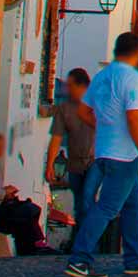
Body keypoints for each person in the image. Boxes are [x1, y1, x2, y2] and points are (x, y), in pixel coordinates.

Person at [64, 33, 138, 277]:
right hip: (123, 156)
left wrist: (105, 126)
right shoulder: (132, 78)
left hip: (103, 151)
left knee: (133, 205)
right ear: (137, 52)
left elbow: (84, 111)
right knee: (106, 207)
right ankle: (79, 259)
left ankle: (134, 260)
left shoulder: (102, 76)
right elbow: (134, 118)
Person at [45, 68, 97, 232]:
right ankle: (82, 240)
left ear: (82, 86)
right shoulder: (64, 109)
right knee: (79, 203)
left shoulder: (98, 105)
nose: (67, 89)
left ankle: (86, 241)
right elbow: (56, 138)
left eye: (71, 85)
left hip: (95, 162)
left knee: (87, 198)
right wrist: (50, 164)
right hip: (74, 164)